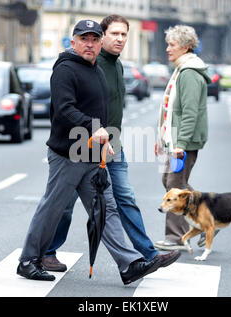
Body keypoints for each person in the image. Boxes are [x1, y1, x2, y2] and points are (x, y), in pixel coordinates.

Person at [17, 19, 161, 284]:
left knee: (106, 210)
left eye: (95, 39)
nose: (90, 44)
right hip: (68, 154)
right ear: (73, 42)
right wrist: (93, 127)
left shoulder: (94, 69)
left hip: (93, 155)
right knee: (53, 207)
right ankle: (28, 260)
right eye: (85, 39)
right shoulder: (65, 70)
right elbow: (64, 108)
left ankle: (129, 264)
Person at [41, 15, 180, 273]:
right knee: (64, 204)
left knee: (123, 198)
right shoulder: (91, 64)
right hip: (82, 144)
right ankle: (46, 252)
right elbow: (70, 107)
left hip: (111, 143)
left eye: (124, 35)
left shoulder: (117, 66)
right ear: (102, 37)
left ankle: (147, 254)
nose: (120, 39)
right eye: (114, 34)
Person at [154, 25, 218, 251]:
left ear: (185, 47)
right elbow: (171, 109)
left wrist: (180, 144)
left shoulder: (189, 73)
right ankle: (210, 218)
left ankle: (174, 237)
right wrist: (162, 138)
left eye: (172, 44)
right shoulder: (182, 68)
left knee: (174, 185)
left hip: (184, 142)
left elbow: (190, 113)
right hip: (177, 140)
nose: (167, 48)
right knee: (171, 182)